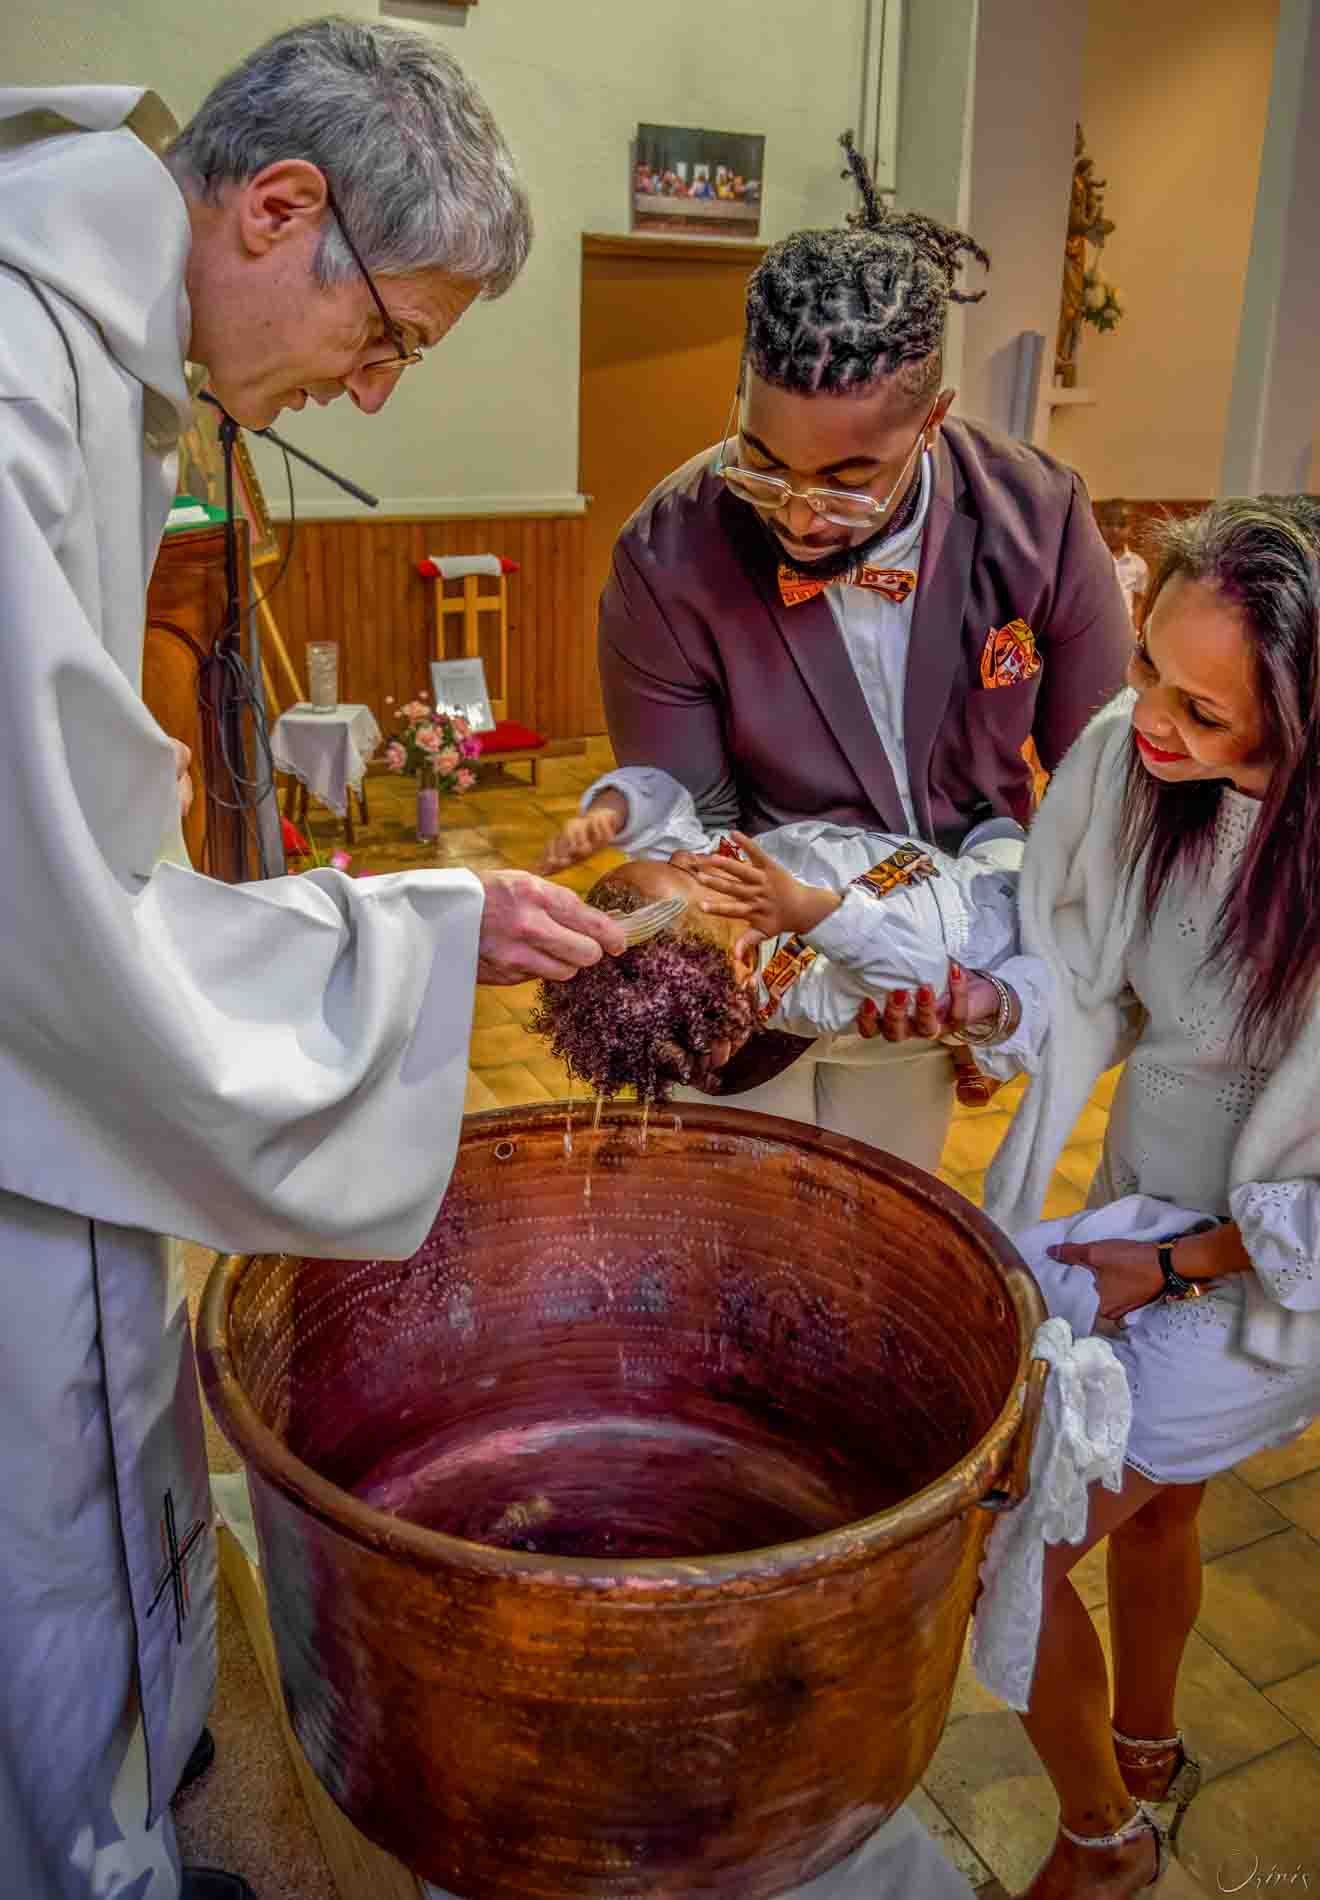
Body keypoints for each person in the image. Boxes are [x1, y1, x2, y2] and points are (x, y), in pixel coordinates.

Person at [0, 23, 627, 1900]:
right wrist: (415, 943)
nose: (369, 392)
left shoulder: (91, 343)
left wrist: (438, 925)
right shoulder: (20, 379)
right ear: (285, 210)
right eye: (390, 340)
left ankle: (106, 1818)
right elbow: (65, 939)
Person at [587, 130, 1132, 1157]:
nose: (796, 512)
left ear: (934, 419)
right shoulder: (666, 554)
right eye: (762, 460)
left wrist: (1009, 985)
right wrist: (751, 951)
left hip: (942, 949)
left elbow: (1104, 782)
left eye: (846, 479)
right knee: (740, 1236)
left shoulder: (1038, 520)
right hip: (755, 963)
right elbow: (686, 818)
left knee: (874, 1233)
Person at [937, 498, 1320, 1897]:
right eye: (1149, 666)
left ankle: (1101, 1844)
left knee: (1011, 1536)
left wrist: (1167, 1271)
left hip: (1281, 1277)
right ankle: (1145, 1749)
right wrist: (987, 1006)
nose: (1152, 720)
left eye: (1206, 712)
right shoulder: (1129, 759)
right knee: (1159, 1510)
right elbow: (1080, 971)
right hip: (1151, 1191)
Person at [537, 767, 1040, 1140]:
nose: (693, 856)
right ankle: (983, 1053)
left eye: (673, 860)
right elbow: (925, 976)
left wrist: (610, 813)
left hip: (951, 866)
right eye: (690, 873)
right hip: (996, 932)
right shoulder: (805, 996)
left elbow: (664, 807)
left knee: (1004, 823)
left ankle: (979, 1056)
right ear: (741, 965)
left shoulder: (713, 875)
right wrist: (810, 913)